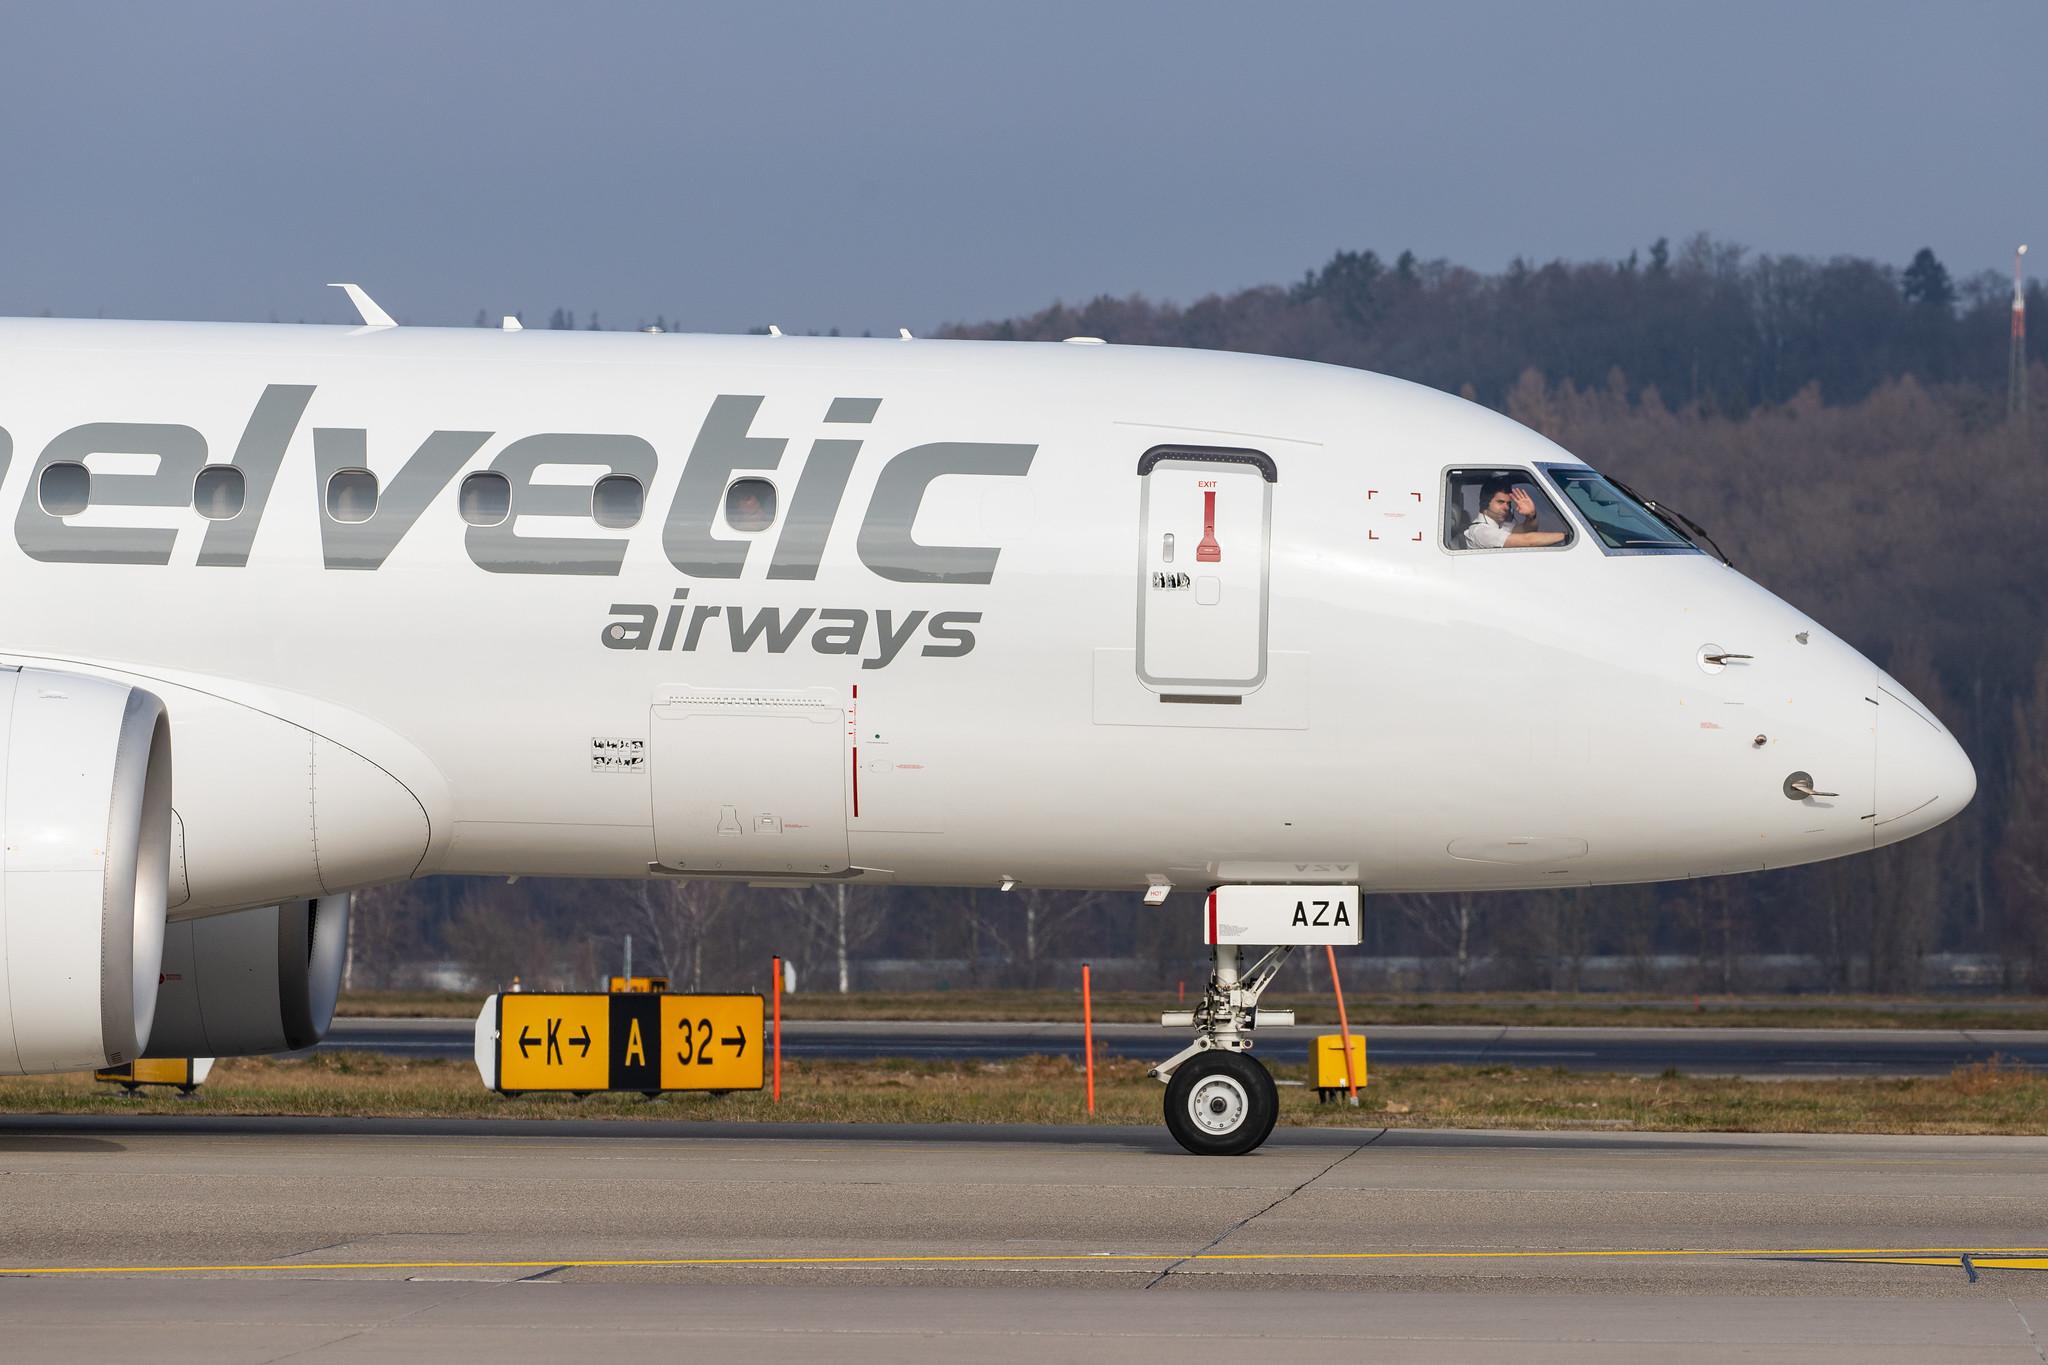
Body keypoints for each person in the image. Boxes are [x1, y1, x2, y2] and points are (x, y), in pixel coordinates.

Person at [1460, 476, 1568, 549]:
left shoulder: (1500, 526)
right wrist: (1566, 537)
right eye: (1500, 502)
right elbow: (1528, 540)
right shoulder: (1481, 531)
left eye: (1508, 503)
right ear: (1485, 503)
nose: (1506, 507)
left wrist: (1531, 515)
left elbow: (1527, 530)